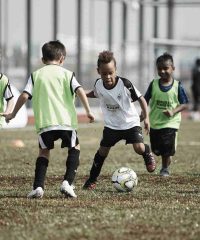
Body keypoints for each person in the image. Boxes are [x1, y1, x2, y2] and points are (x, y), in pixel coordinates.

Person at [3, 40, 95, 198]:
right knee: (75, 149)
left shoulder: (36, 75)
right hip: (66, 123)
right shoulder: (67, 74)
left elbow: (24, 96)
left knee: (44, 152)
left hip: (45, 124)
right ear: (62, 58)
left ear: (43, 60)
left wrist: (12, 114)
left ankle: (38, 187)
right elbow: (80, 91)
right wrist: (88, 111)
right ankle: (67, 182)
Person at [83, 50, 156, 190]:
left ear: (115, 69)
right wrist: (80, 93)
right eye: (104, 73)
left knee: (139, 148)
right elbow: (95, 93)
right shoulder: (98, 84)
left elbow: (141, 99)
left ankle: (147, 153)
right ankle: (92, 180)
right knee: (102, 151)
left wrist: (146, 117)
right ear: (98, 71)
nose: (108, 76)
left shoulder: (125, 84)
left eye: (111, 72)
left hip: (130, 123)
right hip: (112, 126)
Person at [144, 52, 189, 177]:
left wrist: (173, 111)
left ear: (173, 69)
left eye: (166, 68)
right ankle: (164, 159)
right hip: (155, 123)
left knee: (166, 147)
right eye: (159, 69)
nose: (162, 71)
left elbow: (185, 104)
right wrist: (143, 115)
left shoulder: (177, 86)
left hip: (171, 123)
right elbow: (145, 100)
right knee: (156, 149)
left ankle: (164, 169)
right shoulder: (153, 84)